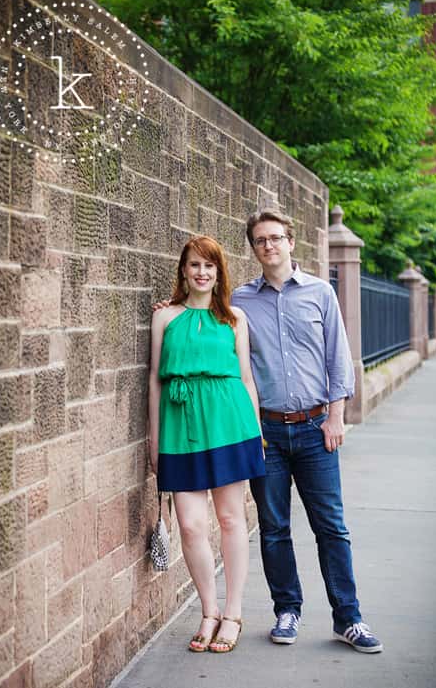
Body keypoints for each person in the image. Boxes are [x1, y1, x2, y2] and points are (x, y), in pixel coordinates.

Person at [232, 209, 383, 653]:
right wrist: (172, 308)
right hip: (267, 434)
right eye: (260, 240)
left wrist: (336, 417)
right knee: (274, 526)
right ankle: (287, 610)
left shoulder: (320, 293)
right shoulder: (241, 301)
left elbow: (339, 357)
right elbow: (203, 309)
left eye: (276, 238)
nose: (269, 246)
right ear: (253, 247)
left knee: (331, 527)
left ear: (291, 242)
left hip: (317, 428)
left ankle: (348, 618)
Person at [148, 236, 266, 653]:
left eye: (209, 266)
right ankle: (209, 610)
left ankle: (233, 613)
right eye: (195, 265)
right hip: (180, 427)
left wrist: (256, 435)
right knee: (191, 525)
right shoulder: (165, 318)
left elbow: (247, 380)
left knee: (231, 519)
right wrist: (153, 437)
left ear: (219, 273)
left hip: (229, 424)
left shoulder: (235, 318)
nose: (202, 272)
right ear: (183, 270)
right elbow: (154, 381)